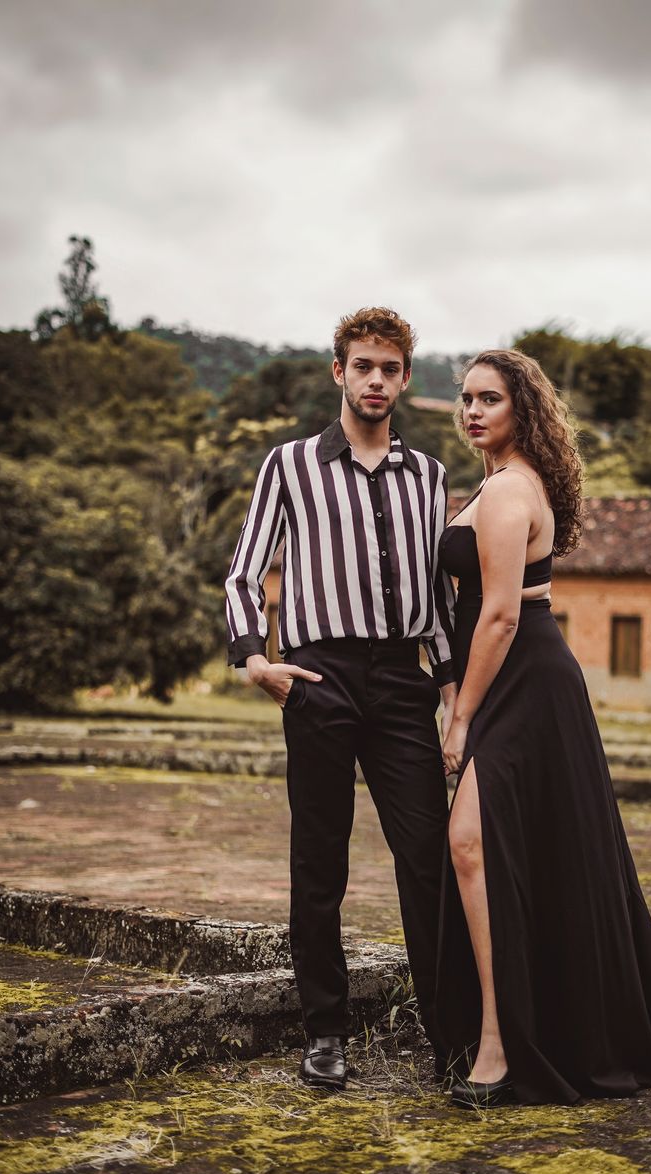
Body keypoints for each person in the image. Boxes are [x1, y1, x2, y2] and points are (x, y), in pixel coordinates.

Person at [435, 349, 651, 1109]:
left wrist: (459, 717)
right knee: (497, 848)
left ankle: (502, 1047)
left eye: (491, 399)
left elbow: (502, 614)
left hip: (523, 681)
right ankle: (500, 1034)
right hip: (509, 675)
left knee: (469, 841)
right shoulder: (495, 483)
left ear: (522, 410)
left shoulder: (509, 494)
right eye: (466, 398)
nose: (474, 411)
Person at [225, 307, 457, 1090]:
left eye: (390, 369)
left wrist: (450, 689)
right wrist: (256, 658)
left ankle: (450, 1036)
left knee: (428, 858)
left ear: (403, 379)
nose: (376, 381)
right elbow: (242, 571)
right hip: (318, 677)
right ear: (339, 372)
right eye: (363, 366)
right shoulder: (288, 465)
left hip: (401, 682)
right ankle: (325, 1030)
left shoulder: (427, 476)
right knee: (318, 862)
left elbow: (438, 597)